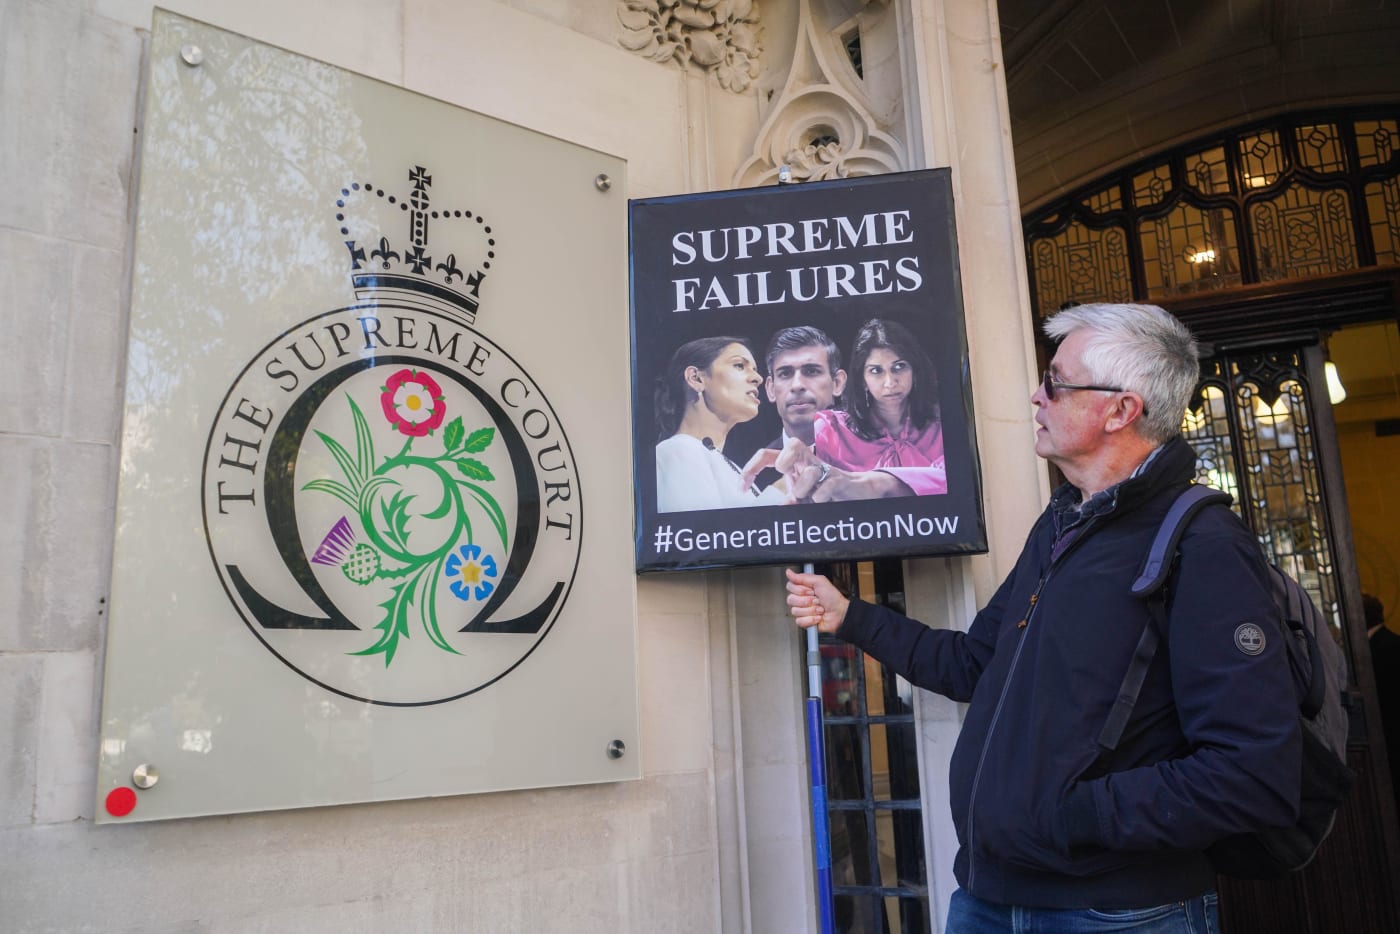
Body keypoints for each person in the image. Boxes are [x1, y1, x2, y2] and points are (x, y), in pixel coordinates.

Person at [785, 303, 1300, 932]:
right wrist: (852, 616)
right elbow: (974, 665)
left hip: (1118, 912)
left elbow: (1253, 773)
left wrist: (1071, 817)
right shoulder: (1061, 526)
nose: (1036, 396)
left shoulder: (1204, 544)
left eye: (1056, 381)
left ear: (1120, 410)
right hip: (986, 899)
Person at [744, 319, 947, 501]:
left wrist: (875, 484)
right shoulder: (832, 431)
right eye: (876, 371)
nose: (890, 382)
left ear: (839, 382)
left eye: (811, 371)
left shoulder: (945, 425)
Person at [654, 336, 787, 512]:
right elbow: (701, 535)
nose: (758, 378)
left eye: (754, 369)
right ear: (696, 379)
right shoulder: (678, 449)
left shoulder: (726, 465)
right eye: (739, 365)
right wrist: (781, 492)